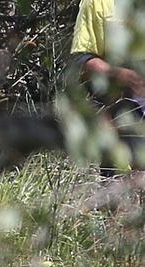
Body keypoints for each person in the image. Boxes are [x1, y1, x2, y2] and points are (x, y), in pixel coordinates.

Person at [71, 0, 145, 172]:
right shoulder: (95, 3)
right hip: (121, 108)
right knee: (120, 185)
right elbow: (83, 62)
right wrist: (125, 77)